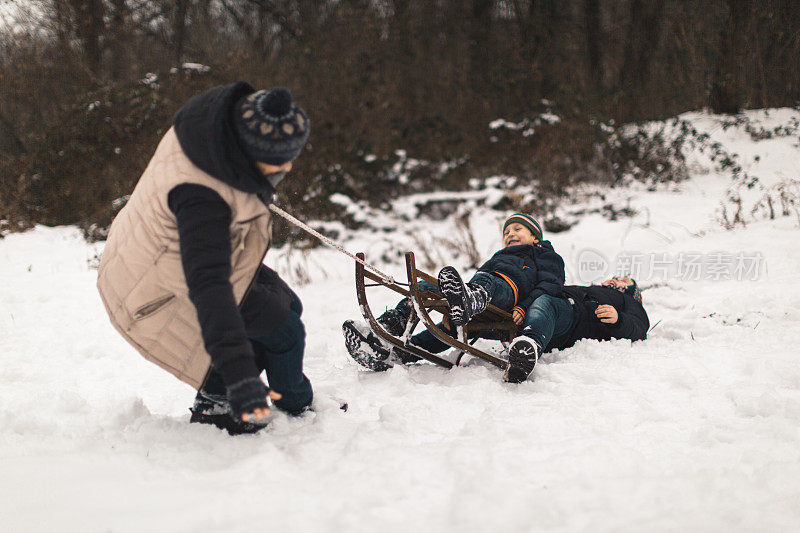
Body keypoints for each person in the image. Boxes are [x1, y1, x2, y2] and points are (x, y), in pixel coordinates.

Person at [97, 82, 313, 435]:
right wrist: (240, 375)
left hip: (153, 256)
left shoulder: (211, 132)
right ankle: (293, 405)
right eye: (277, 160)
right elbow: (210, 290)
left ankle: (219, 395)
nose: (287, 165)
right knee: (286, 331)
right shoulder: (202, 201)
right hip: (157, 287)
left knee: (289, 306)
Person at [343, 212, 568, 383]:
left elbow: (551, 285)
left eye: (517, 229)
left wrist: (525, 307)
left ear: (535, 237)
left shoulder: (544, 254)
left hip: (507, 297)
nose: (510, 234)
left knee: (487, 281)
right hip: (482, 296)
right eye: (506, 232)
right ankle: (391, 332)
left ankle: (470, 300)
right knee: (427, 293)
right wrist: (455, 303)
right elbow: (478, 279)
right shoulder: (499, 256)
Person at [345, 273, 649, 382]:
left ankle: (528, 347)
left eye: (623, 281)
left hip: (562, 318)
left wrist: (621, 318)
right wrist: (518, 306)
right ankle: (397, 352)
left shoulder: (625, 301)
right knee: (458, 325)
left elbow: (640, 326)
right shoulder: (588, 285)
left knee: (545, 303)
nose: (615, 281)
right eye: (615, 278)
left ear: (631, 291)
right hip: (517, 317)